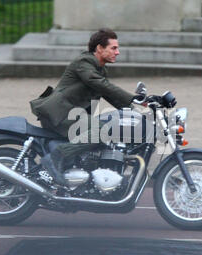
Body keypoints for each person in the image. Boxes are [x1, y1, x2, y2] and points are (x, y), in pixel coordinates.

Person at [30, 28, 142, 186]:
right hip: (60, 114)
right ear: (99, 48)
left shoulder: (100, 68)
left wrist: (136, 109)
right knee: (102, 131)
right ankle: (57, 156)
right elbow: (98, 83)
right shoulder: (85, 62)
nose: (117, 52)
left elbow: (108, 94)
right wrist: (133, 97)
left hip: (71, 114)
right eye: (113, 48)